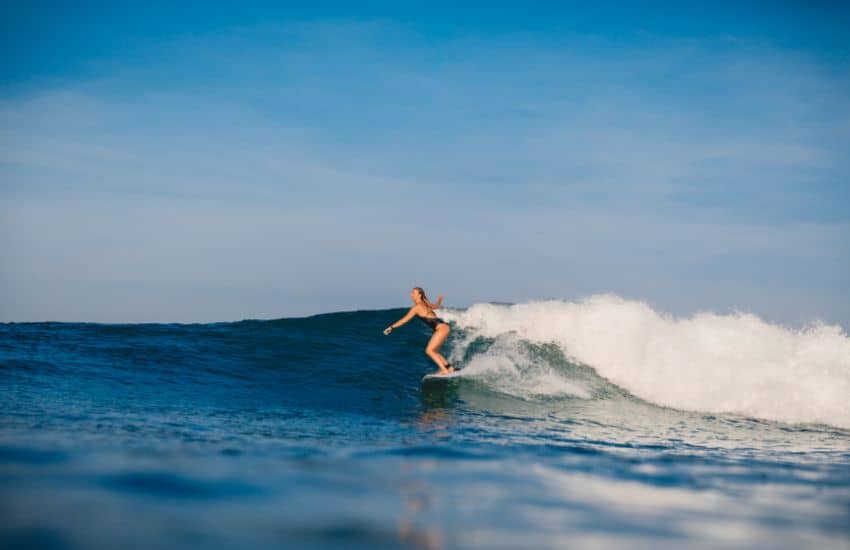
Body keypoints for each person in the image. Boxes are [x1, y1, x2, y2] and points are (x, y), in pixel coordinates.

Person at [383, 287, 455, 375]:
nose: (411, 294)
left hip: (441, 328)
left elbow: (404, 319)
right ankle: (450, 368)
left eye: (413, 293)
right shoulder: (425, 303)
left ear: (419, 295)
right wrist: (439, 301)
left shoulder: (417, 307)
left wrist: (392, 327)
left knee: (429, 351)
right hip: (444, 327)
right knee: (434, 351)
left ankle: (444, 370)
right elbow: (436, 307)